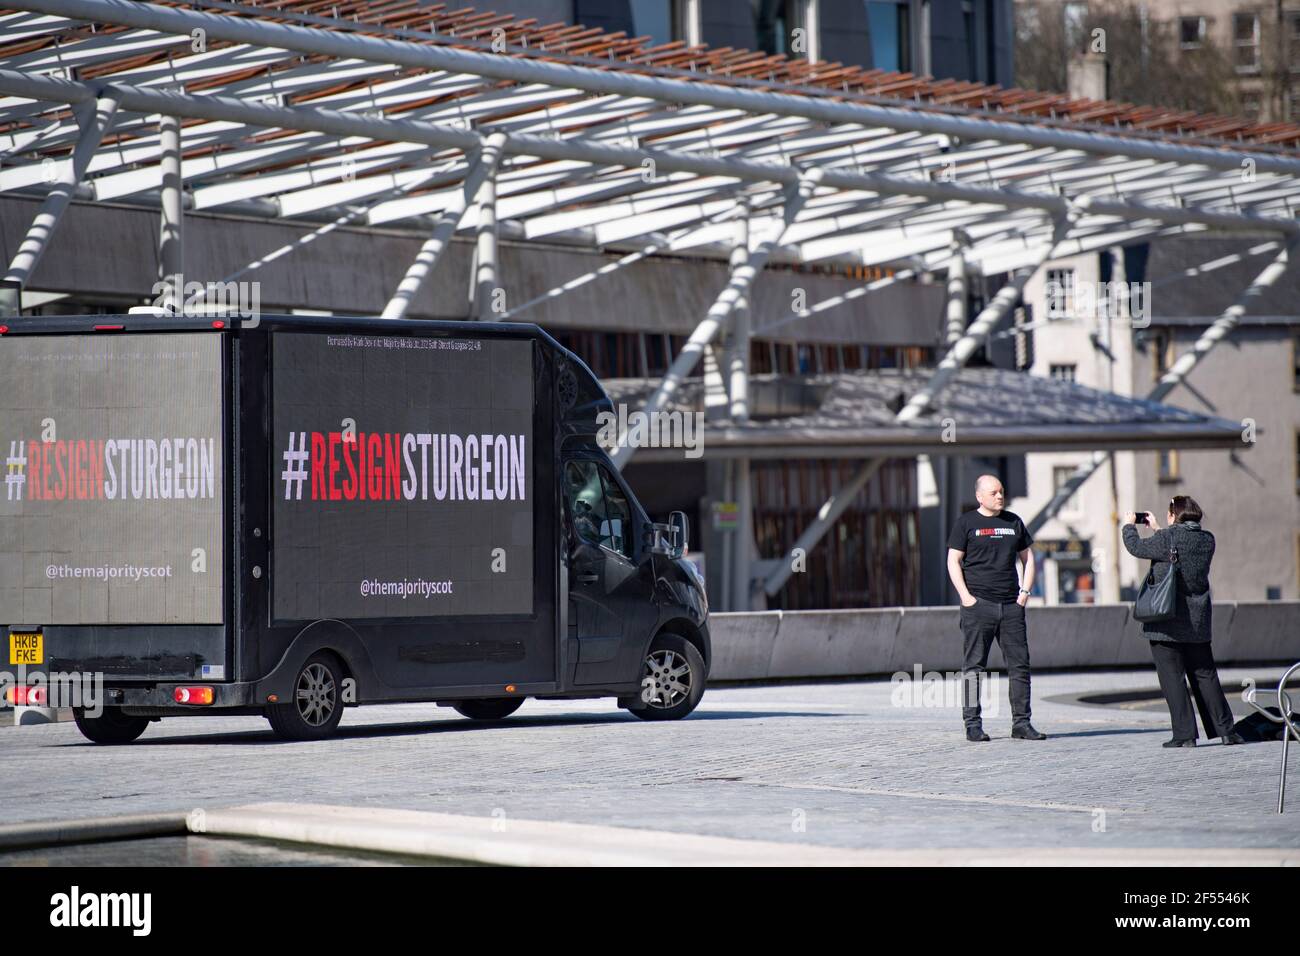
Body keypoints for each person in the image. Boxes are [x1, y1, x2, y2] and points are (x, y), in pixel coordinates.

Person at [1122, 495, 1245, 748]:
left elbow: (1137, 548)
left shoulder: (1167, 539)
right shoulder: (1207, 540)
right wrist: (1159, 529)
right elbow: (1173, 548)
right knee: (1205, 675)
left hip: (1165, 621)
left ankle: (1185, 735)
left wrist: (1129, 525)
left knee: (1173, 678)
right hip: (1197, 621)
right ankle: (1226, 731)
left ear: (1172, 515)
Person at [946, 474, 1045, 742]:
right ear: (980, 496)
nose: (999, 496)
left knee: (1020, 666)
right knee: (973, 668)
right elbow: (953, 561)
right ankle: (972, 724)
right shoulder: (966, 523)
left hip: (1011, 605)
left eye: (1001, 491)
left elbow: (1029, 558)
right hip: (979, 605)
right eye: (993, 493)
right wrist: (966, 597)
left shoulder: (1013, 522)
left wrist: (1024, 593)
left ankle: (1022, 723)